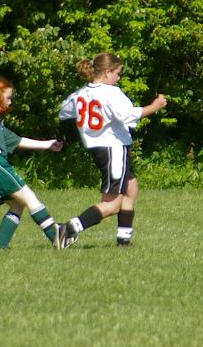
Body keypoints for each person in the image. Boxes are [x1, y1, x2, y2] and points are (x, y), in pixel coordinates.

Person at [58, 53, 167, 248]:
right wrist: (155, 106)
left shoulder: (81, 93)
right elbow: (129, 115)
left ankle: (124, 240)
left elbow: (64, 112)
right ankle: (68, 228)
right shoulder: (111, 92)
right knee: (112, 203)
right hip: (113, 149)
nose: (118, 78)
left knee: (131, 188)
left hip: (98, 148)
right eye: (117, 73)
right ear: (107, 72)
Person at [0, 76, 65, 249]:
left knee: (17, 205)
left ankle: (0, 248)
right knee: (29, 197)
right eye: (8, 97)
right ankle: (57, 236)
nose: (10, 102)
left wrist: (48, 144)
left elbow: (18, 141)